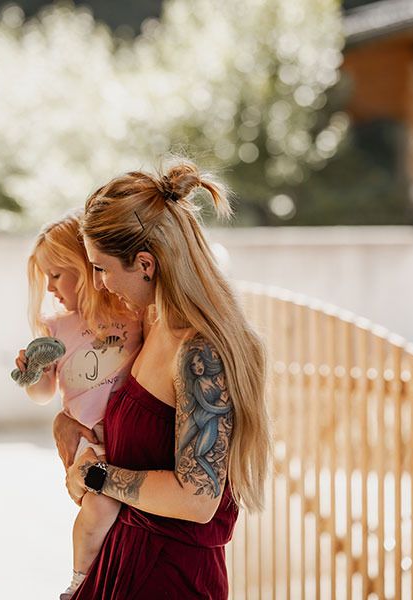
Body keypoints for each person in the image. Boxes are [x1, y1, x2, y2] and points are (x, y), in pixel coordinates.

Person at [57, 161, 271, 599]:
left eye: (101, 268)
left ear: (145, 264)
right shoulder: (153, 323)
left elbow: (197, 498)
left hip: (169, 577)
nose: (99, 283)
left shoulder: (200, 353)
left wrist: (96, 476)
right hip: (127, 558)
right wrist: (67, 423)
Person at [17, 209, 142, 599]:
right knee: (101, 509)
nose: (50, 287)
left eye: (56, 274)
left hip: (132, 436)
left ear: (85, 266)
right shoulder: (56, 328)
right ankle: (80, 581)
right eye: (45, 278)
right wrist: (34, 373)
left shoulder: (133, 314)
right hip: (90, 441)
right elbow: (43, 394)